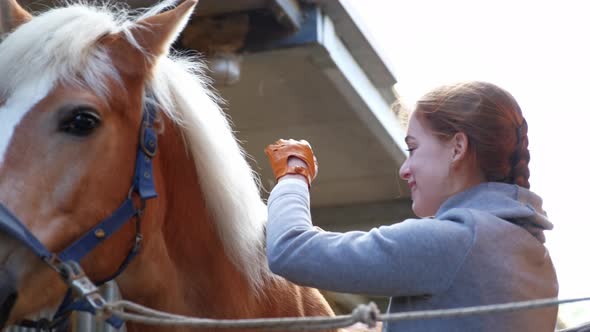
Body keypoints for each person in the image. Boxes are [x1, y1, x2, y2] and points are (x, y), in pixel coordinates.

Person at [264, 81, 558, 332]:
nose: (404, 169)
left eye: (413, 148)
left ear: (457, 148)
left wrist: (294, 174)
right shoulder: (536, 258)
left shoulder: (456, 240)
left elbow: (290, 250)